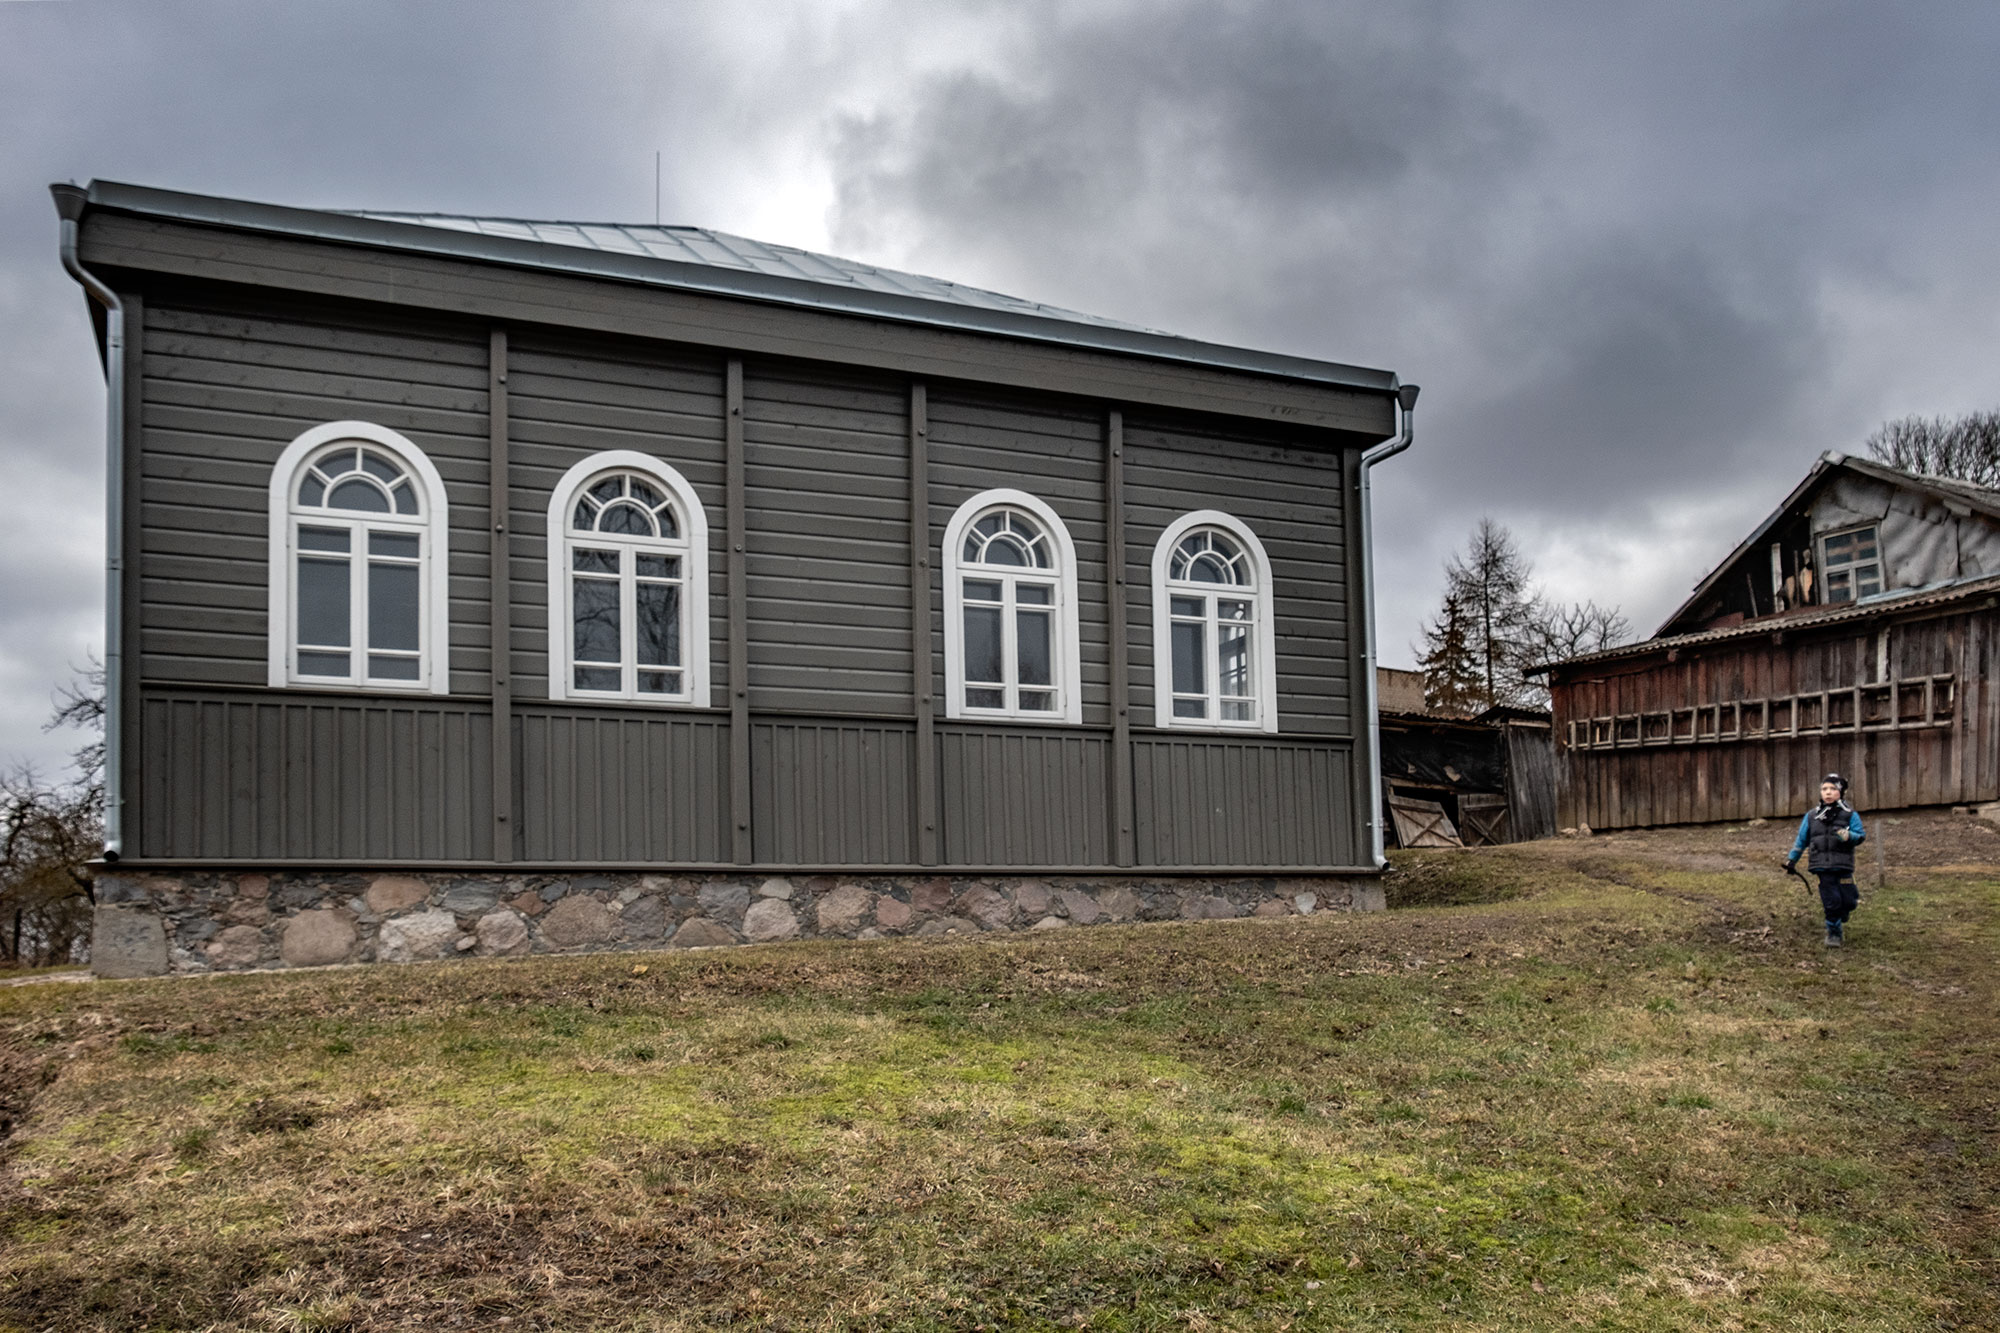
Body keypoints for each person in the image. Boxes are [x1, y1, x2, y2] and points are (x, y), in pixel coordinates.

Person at [1785, 773, 1866, 947]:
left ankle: (1843, 911)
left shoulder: (1850, 815)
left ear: (1841, 792)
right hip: (1821, 865)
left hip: (1843, 865)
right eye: (1824, 789)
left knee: (1849, 900)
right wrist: (1792, 860)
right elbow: (1801, 840)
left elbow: (1860, 836)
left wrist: (1849, 836)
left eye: (1832, 789)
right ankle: (1834, 933)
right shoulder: (1812, 816)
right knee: (1832, 902)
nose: (1828, 792)